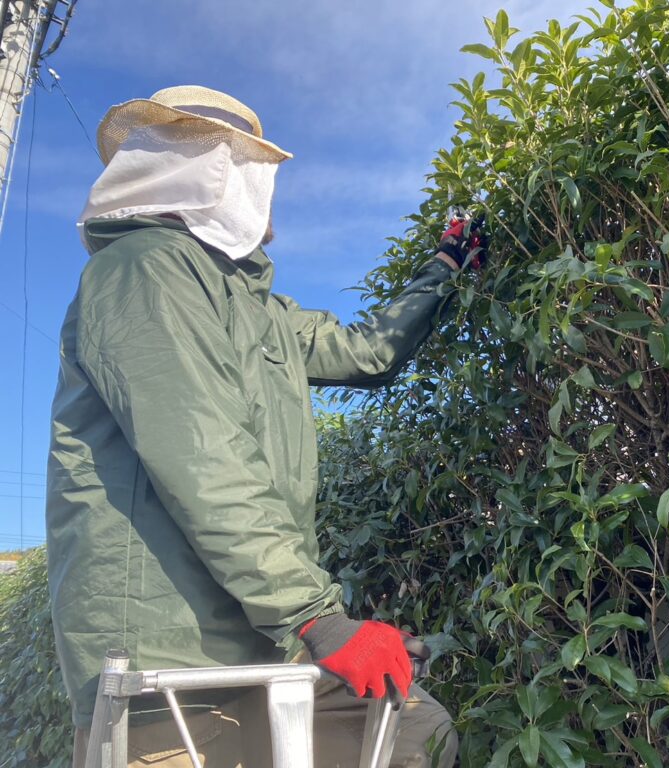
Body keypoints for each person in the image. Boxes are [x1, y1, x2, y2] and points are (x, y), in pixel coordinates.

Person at [46, 85, 484, 768]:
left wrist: (444, 267)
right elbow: (202, 454)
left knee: (412, 731)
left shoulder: (262, 311)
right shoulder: (141, 271)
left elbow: (366, 350)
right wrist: (319, 617)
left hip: (261, 646)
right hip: (167, 665)